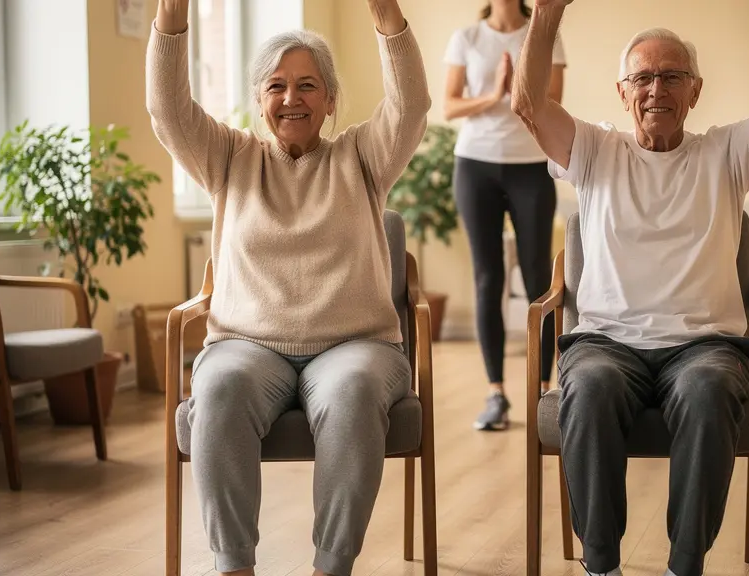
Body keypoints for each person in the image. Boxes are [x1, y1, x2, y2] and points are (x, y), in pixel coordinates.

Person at [511, 0, 749, 575]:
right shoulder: (594, 150)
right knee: (590, 386)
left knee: (708, 390)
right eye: (643, 78)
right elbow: (528, 104)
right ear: (622, 92)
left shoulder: (727, 152)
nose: (657, 89)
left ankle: (684, 566)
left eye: (673, 76)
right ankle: (601, 565)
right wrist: (547, 12)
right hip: (605, 343)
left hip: (706, 346)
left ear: (695, 91)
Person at [146, 0, 431, 574]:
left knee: (353, 391)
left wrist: (386, 14)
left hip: (356, 345)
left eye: (307, 85)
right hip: (247, 346)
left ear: (330, 100)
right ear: (259, 100)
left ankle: (331, 566)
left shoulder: (363, 156)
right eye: (276, 85)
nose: (291, 98)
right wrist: (171, 16)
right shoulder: (228, 157)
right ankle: (235, 567)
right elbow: (168, 110)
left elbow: (410, 106)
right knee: (218, 387)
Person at [443, 0, 567, 431]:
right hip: (474, 166)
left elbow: (553, 103)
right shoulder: (467, 38)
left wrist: (520, 90)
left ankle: (544, 390)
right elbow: (450, 106)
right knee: (487, 277)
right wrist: (494, 94)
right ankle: (496, 393)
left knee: (538, 278)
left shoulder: (545, 32)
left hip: (531, 166)